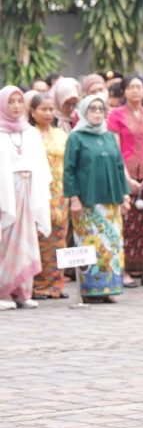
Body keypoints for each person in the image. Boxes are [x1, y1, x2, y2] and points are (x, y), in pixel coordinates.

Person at [63, 95, 131, 303]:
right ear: (84, 112)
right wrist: (74, 198)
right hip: (87, 202)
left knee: (112, 245)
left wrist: (124, 195)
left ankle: (109, 288)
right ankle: (91, 290)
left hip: (110, 202)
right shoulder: (76, 137)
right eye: (92, 109)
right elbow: (69, 170)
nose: (97, 113)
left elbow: (119, 166)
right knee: (91, 244)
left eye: (101, 109)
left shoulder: (108, 136)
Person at [0, 87, 52, 310]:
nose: (15, 106)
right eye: (10, 102)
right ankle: (3, 292)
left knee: (27, 240)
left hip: (28, 190)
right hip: (6, 193)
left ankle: (22, 291)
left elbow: (40, 165)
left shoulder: (30, 133)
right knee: (6, 243)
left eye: (19, 101)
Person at [107, 75, 143, 287]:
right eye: (131, 87)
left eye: (139, 87)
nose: (136, 91)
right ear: (124, 91)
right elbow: (115, 148)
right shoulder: (116, 115)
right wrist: (125, 178)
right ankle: (126, 269)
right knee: (127, 224)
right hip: (126, 173)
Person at [27, 93, 70, 300]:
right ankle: (38, 284)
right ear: (32, 112)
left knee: (59, 238)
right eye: (43, 109)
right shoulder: (28, 134)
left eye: (51, 109)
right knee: (39, 237)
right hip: (37, 191)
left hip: (60, 193)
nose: (48, 113)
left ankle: (56, 284)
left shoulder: (61, 134)